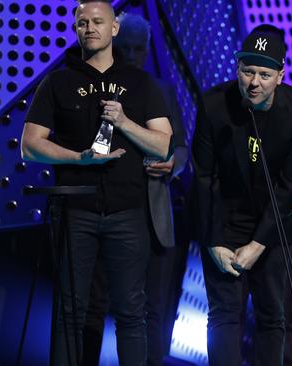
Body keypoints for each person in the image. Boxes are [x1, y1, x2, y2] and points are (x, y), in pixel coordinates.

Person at [20, 1, 173, 364]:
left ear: (114, 29)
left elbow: (164, 143)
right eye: (82, 22)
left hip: (127, 211)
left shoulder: (139, 83)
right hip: (76, 210)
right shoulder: (58, 80)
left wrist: (124, 123)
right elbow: (30, 146)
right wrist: (78, 158)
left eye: (98, 21)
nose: (89, 28)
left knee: (131, 312)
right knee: (70, 310)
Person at [190, 25, 292, 366]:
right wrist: (214, 240)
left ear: (281, 74)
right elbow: (204, 176)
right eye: (247, 71)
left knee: (272, 315)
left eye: (264, 73)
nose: (254, 82)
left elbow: (288, 185)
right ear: (237, 70)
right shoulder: (214, 105)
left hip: (272, 226)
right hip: (225, 222)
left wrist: (258, 244)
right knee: (224, 314)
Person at [80, 13, 189, 366]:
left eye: (138, 48)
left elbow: (183, 147)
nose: (132, 55)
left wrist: (173, 164)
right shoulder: (92, 90)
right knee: (94, 305)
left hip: (152, 214)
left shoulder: (162, 90)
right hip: (103, 211)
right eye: (124, 48)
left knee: (152, 308)